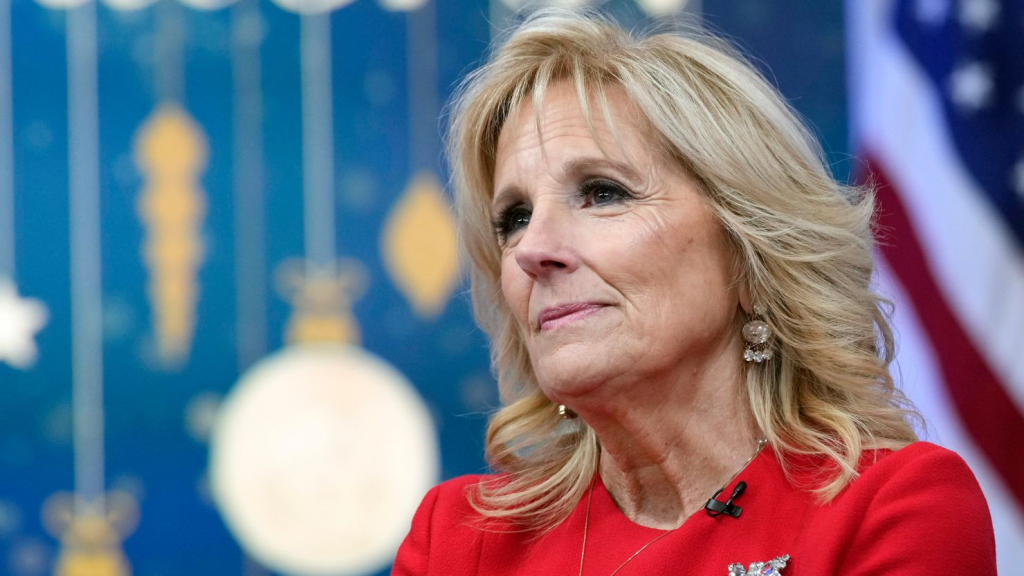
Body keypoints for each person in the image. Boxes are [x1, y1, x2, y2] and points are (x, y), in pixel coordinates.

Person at [392, 9, 997, 575]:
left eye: (602, 193)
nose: (532, 249)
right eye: (515, 218)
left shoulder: (892, 506)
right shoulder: (460, 540)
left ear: (750, 255)